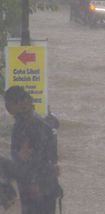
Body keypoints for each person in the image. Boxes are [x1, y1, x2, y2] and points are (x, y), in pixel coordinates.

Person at [4, 86, 62, 214]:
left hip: (38, 186)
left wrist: (33, 182)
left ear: (19, 103)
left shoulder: (30, 126)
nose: (6, 108)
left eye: (8, 104)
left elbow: (37, 158)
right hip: (40, 184)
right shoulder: (30, 123)